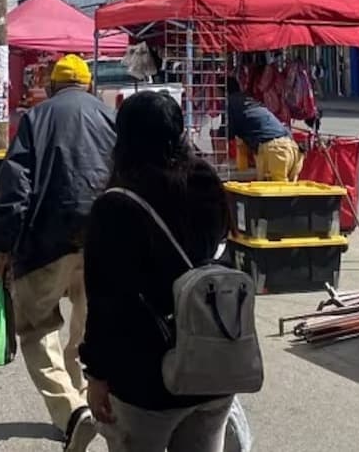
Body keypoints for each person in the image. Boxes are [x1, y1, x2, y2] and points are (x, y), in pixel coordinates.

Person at [81, 91, 234, 452]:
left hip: (146, 374)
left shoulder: (116, 204)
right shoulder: (206, 181)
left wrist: (96, 374)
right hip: (213, 361)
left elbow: (106, 301)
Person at [0, 55, 115, 452]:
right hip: (101, 240)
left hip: (46, 241)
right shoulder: (112, 118)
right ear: (89, 85)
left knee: (37, 328)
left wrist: (4, 245)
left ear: (54, 86)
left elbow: (15, 184)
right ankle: (87, 400)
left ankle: (73, 412)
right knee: (88, 328)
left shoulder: (36, 119)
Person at [225, 77, 302, 183]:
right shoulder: (249, 101)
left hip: (275, 151)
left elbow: (225, 135)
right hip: (292, 148)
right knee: (289, 196)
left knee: (274, 194)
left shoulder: (231, 103)